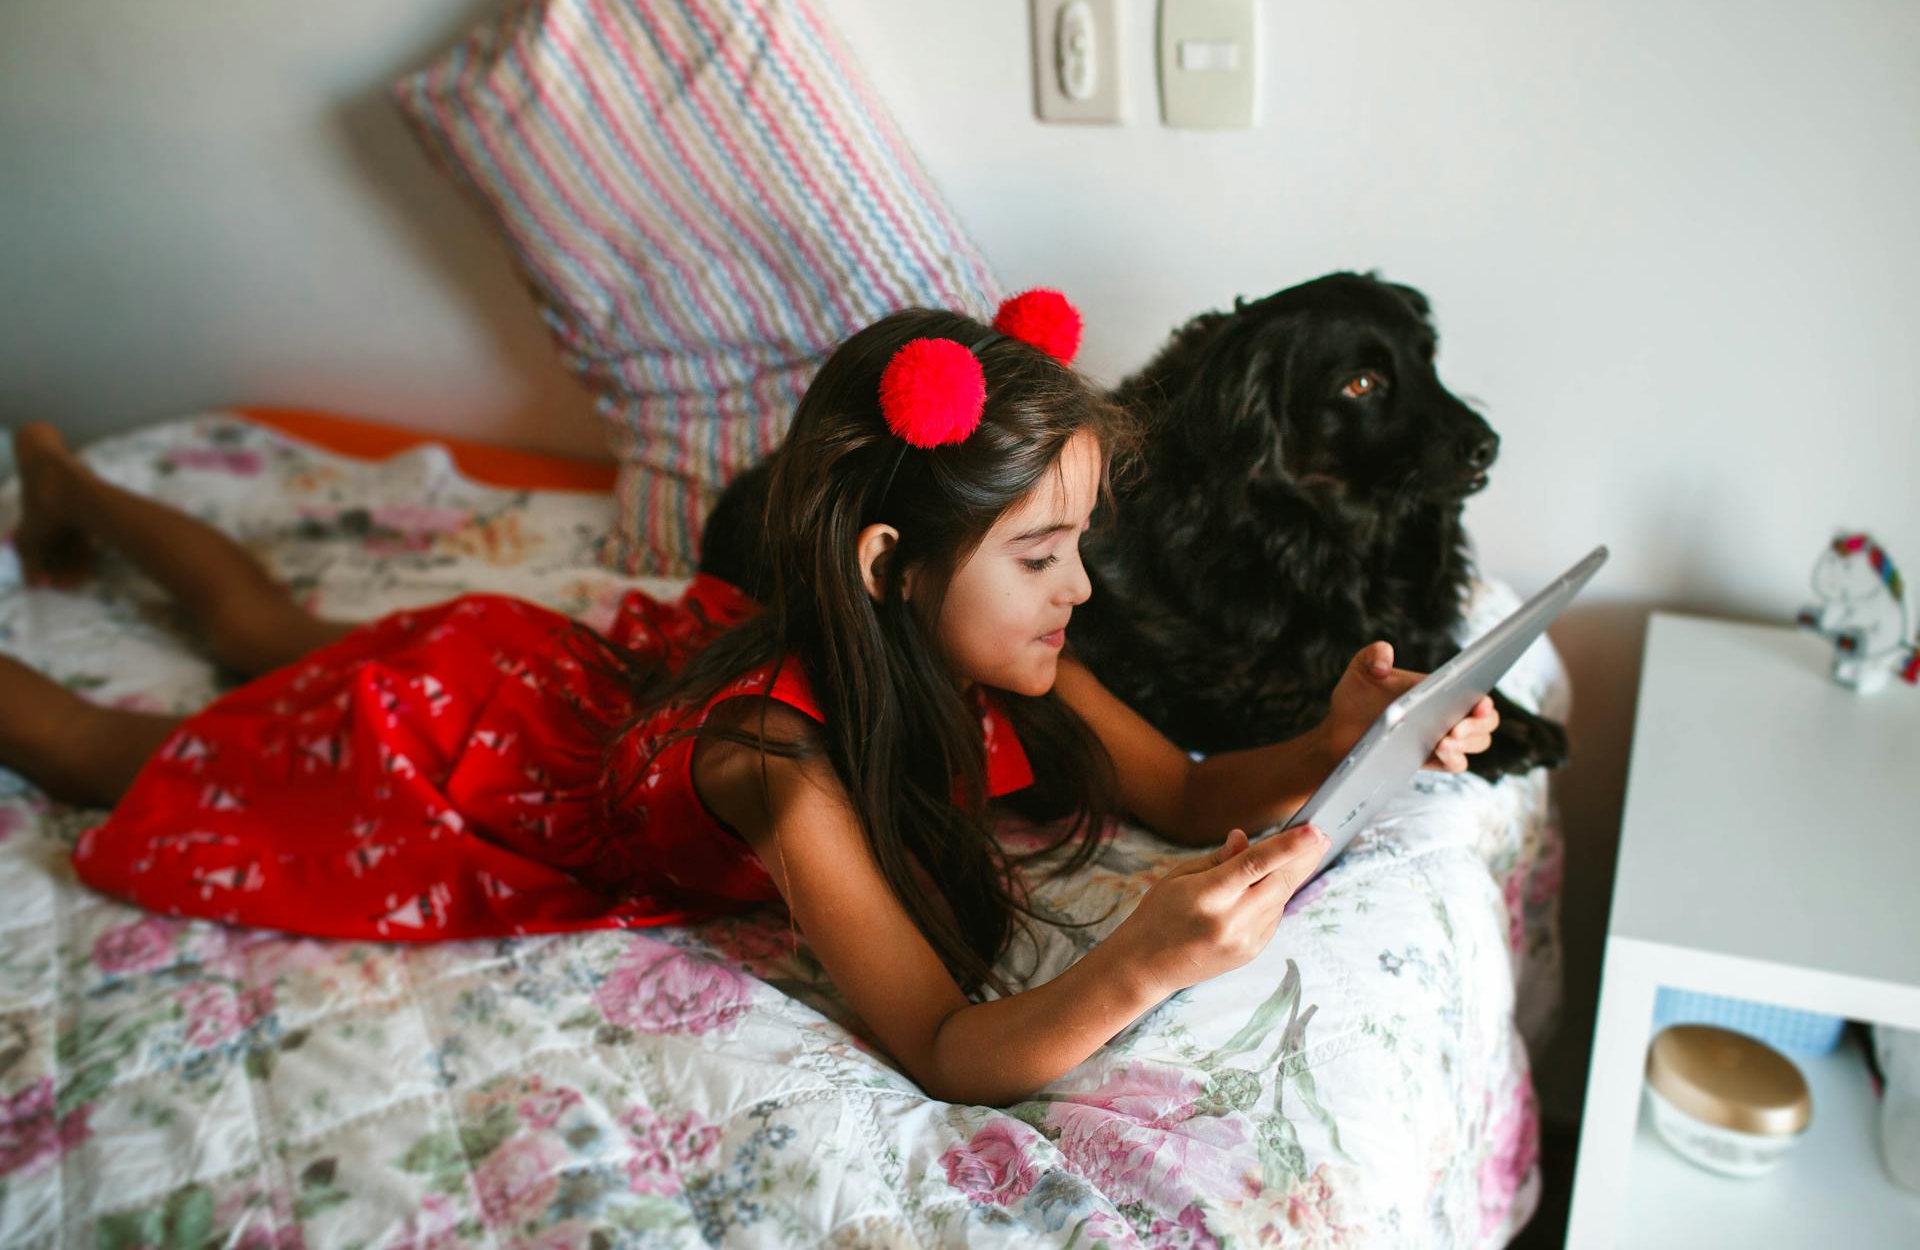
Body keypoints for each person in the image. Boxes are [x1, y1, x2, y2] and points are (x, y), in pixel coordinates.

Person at [0, 289, 1498, 1106]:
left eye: (1078, 548)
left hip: (578, 671)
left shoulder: (1004, 652)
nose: (1083, 591)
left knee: (268, 626)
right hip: (455, 736)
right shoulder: (784, 774)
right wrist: (1138, 965)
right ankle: (67, 483)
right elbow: (940, 1046)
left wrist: (1333, 735)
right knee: (104, 744)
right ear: (891, 565)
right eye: (1043, 555)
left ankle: (65, 482)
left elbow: (1172, 790)